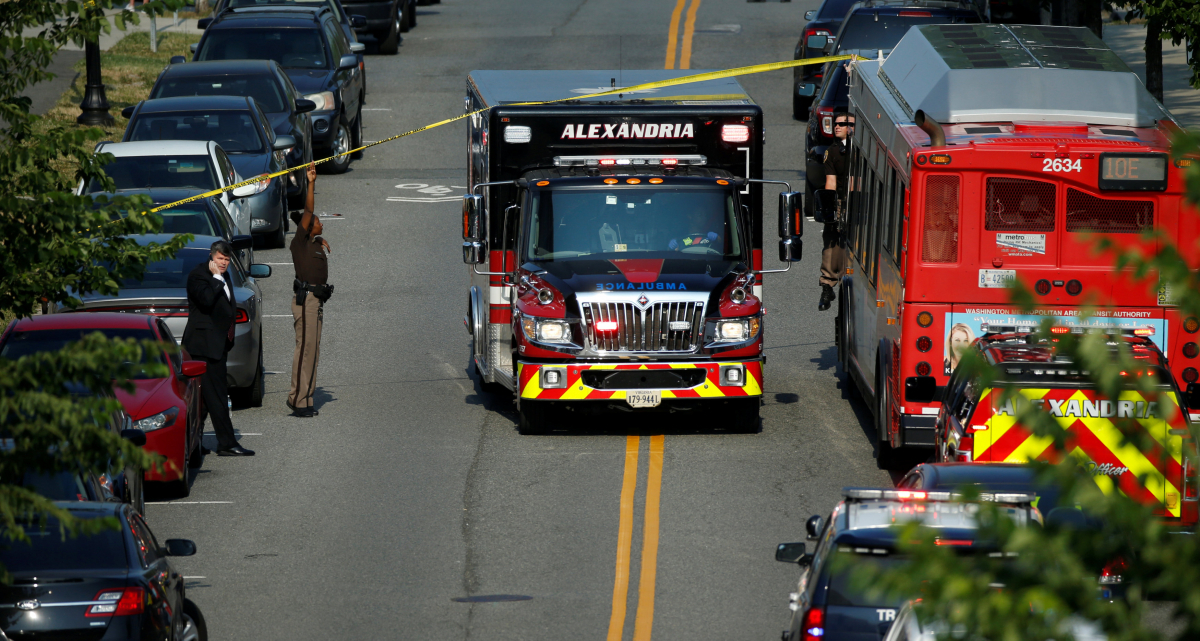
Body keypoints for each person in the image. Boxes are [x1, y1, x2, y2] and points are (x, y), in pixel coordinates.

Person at [183, 239, 254, 457]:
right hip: (204, 347)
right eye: (220, 259)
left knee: (204, 400)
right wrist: (215, 278)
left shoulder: (225, 275)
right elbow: (205, 301)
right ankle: (226, 443)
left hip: (218, 345)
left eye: (226, 259)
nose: (223, 263)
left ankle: (193, 444)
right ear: (211, 257)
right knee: (218, 396)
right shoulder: (199, 276)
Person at [287, 163, 332, 418]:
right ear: (307, 227)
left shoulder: (313, 242)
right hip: (305, 301)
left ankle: (307, 398)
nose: (320, 222)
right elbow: (308, 210)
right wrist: (312, 183)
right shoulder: (300, 241)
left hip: (317, 301)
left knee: (313, 350)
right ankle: (297, 399)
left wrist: (318, 239)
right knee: (304, 349)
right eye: (317, 222)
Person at [819, 109, 854, 312]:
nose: (837, 126)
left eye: (842, 124)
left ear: (853, 128)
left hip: (861, 199)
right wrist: (830, 208)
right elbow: (830, 182)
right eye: (835, 123)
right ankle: (827, 285)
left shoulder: (861, 148)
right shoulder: (832, 151)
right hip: (840, 200)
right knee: (831, 239)